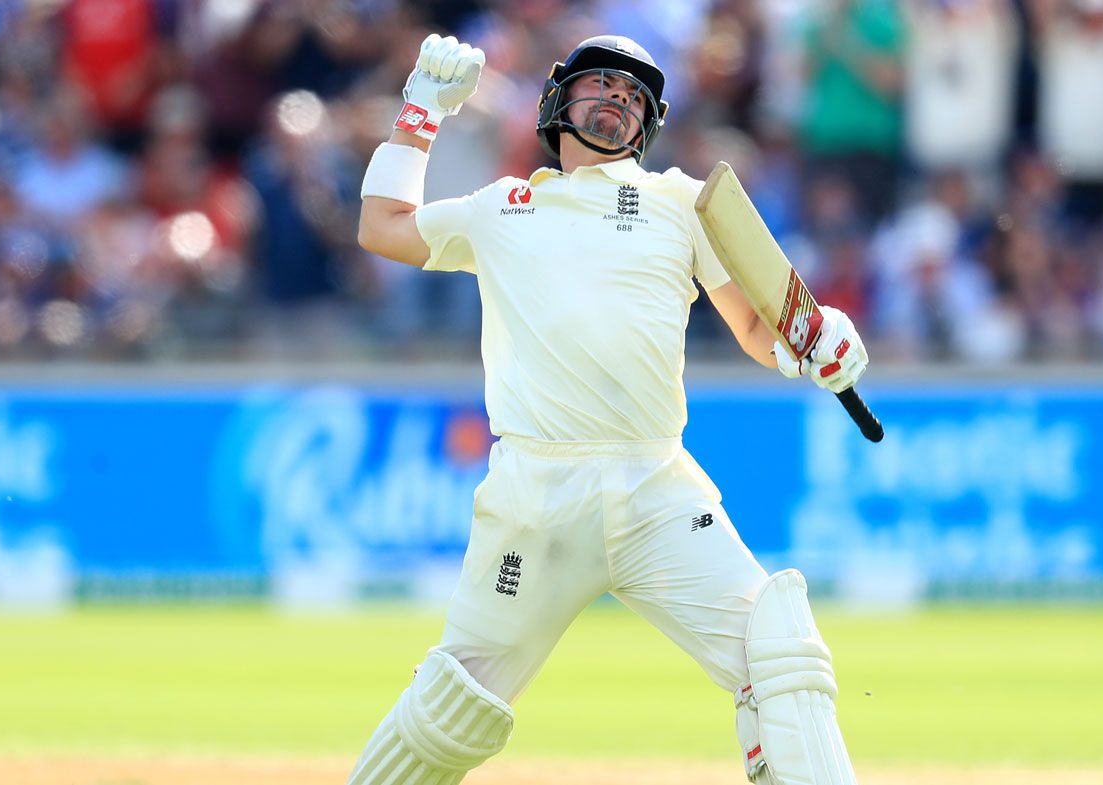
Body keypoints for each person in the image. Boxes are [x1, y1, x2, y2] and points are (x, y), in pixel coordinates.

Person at [349, 33, 870, 785]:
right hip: (538, 497)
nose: (617, 102)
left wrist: (814, 345)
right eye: (603, 86)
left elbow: (762, 327)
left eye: (633, 98)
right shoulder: (502, 208)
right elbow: (381, 227)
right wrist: (420, 111)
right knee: (450, 708)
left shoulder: (684, 203)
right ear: (559, 103)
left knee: (779, 654)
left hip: (658, 488)